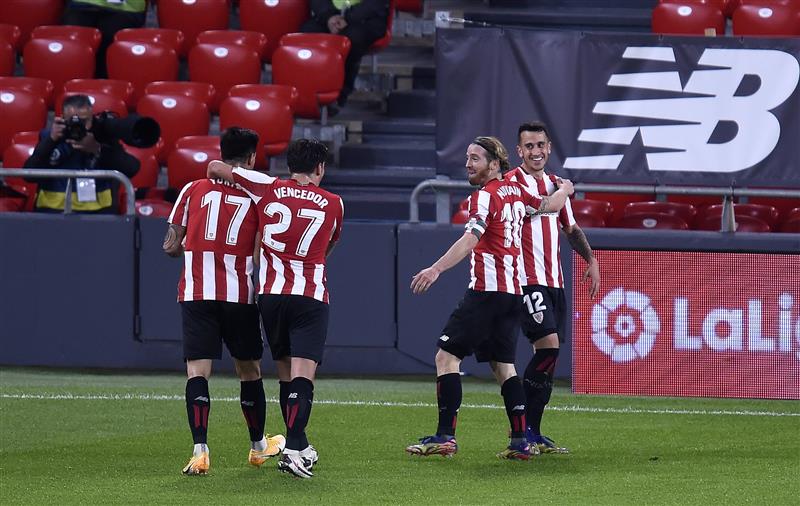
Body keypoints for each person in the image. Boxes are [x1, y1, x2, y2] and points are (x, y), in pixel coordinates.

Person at [405, 136, 574, 461]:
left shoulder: (483, 197)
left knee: (446, 357)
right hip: (513, 294)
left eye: (475, 159)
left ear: (495, 163)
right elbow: (550, 206)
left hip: (487, 292)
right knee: (503, 366)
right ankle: (520, 440)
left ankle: (444, 437)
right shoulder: (517, 192)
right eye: (467, 157)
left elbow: (471, 239)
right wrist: (565, 190)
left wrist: (436, 269)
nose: (468, 164)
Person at [207, 138, 345, 479]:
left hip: (271, 295)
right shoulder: (334, 203)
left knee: (285, 371)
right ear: (320, 168)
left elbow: (214, 167)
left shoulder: (267, 185)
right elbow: (330, 242)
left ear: (289, 166)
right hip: (309, 294)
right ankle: (296, 448)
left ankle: (300, 445)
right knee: (303, 373)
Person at [163, 127, 286, 476]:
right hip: (238, 295)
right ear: (250, 159)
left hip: (196, 293)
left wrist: (192, 248)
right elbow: (264, 247)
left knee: (196, 371)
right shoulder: (257, 197)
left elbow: (171, 245)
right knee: (249, 370)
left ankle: (200, 450)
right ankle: (258, 446)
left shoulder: (191, 189)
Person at [505, 121, 601, 454]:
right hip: (526, 280)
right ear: (519, 151)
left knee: (548, 357)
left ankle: (533, 432)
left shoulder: (555, 183)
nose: (536, 151)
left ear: (548, 147)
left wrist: (591, 259)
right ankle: (521, 428)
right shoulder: (512, 183)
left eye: (540, 145)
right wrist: (565, 192)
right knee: (549, 347)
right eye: (529, 146)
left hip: (555, 282)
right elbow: (543, 206)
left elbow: (570, 228)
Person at [23, 94, 139, 213]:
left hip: (97, 215)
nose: (79, 126)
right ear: (62, 118)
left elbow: (132, 168)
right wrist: (51, 141)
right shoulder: (51, 137)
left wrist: (97, 149)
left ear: (92, 117)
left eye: (84, 121)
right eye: (72, 121)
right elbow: (29, 175)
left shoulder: (102, 137)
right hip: (53, 212)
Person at [301, 0, 389, 107]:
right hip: (330, 16)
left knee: (351, 39)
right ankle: (308, 95)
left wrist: (348, 18)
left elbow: (374, 4)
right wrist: (330, 17)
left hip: (365, 19)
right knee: (306, 35)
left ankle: (340, 94)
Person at [61, 0, 148, 78]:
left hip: (126, 8)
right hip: (83, 3)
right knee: (72, 45)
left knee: (113, 46)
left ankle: (104, 88)